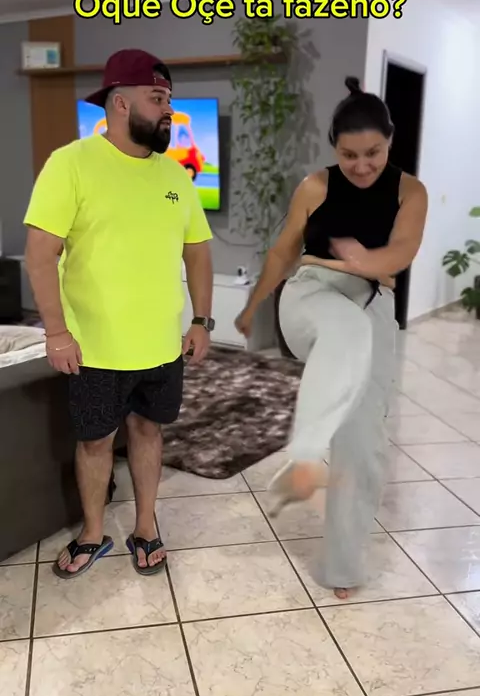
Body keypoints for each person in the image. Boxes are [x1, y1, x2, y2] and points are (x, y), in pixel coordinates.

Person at [24, 48, 215, 579]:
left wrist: (201, 320)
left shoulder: (176, 176)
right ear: (121, 103)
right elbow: (40, 254)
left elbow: (198, 251)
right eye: (158, 98)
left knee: (150, 432)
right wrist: (56, 333)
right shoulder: (71, 164)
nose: (169, 110)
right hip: (94, 348)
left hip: (162, 346)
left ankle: (146, 526)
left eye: (170, 99)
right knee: (95, 441)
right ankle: (92, 533)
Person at [235, 76, 428, 599]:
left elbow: (401, 253)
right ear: (334, 149)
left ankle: (342, 565)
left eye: (373, 153)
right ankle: (305, 456)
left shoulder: (409, 191)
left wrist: (367, 262)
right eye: (349, 155)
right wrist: (253, 305)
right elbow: (283, 252)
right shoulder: (315, 186)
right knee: (345, 329)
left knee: (363, 439)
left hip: (371, 301)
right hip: (311, 296)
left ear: (390, 143)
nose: (362, 166)